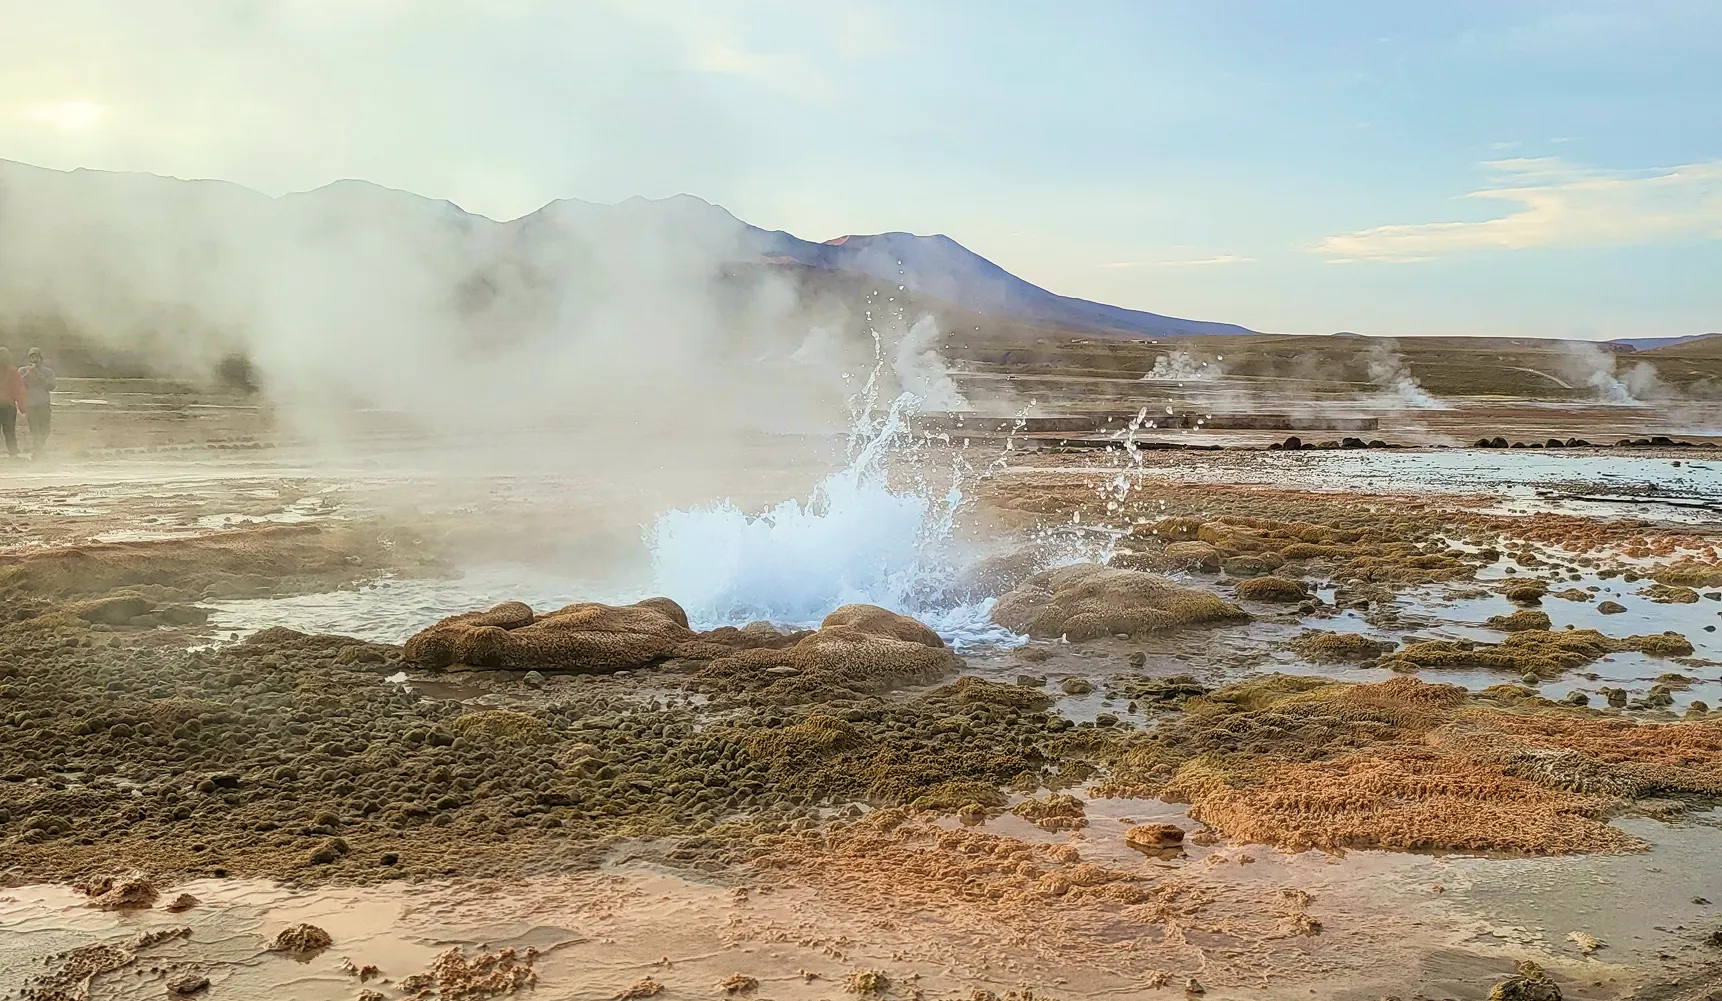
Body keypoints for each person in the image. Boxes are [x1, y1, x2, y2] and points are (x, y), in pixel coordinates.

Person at [19, 347, 55, 456]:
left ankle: (40, 446)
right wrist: (29, 372)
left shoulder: (48, 372)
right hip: (30, 405)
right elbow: (18, 384)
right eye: (32, 357)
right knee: (34, 429)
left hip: (44, 404)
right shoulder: (23, 370)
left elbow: (51, 386)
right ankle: (37, 450)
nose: (34, 360)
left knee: (45, 429)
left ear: (41, 358)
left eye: (37, 357)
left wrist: (38, 373)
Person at [0, 347, 22, 458]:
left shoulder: (13, 371)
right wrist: (22, 406)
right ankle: (13, 453)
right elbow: (18, 390)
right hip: (8, 405)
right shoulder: (13, 371)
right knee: (9, 431)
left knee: (9, 430)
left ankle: (13, 453)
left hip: (7, 404)